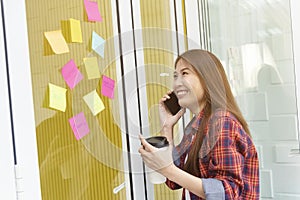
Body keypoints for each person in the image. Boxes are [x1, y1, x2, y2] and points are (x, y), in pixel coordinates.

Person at [139, 49, 260, 199]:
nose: (177, 83)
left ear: (207, 78)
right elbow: (174, 181)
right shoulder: (195, 126)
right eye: (175, 76)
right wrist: (167, 127)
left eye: (185, 74)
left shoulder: (222, 122)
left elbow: (227, 193)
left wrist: (167, 169)